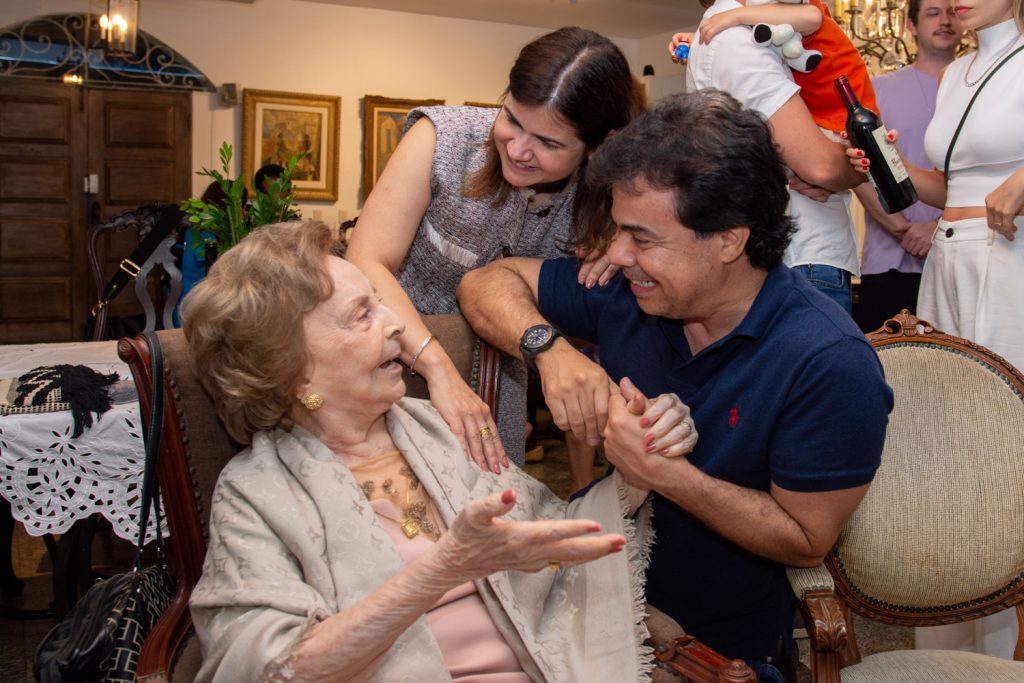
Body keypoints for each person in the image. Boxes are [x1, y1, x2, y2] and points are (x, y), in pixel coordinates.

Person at [458, 91, 893, 677]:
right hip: (589, 603)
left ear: (728, 239)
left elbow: (804, 539)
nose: (616, 253)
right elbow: (486, 282)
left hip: (718, 654)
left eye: (642, 237)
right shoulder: (630, 293)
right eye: (617, 231)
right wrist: (552, 351)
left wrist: (664, 473)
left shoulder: (827, 360)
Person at [180, 220, 701, 681]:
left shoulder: (434, 426)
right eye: (362, 314)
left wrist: (641, 459)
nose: (397, 324)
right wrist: (444, 568)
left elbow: (546, 531)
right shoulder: (256, 493)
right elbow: (266, 669)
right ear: (291, 368)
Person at [346, 27, 646, 473]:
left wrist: (626, 246)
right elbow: (366, 261)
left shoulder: (608, 198)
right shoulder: (441, 139)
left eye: (548, 143)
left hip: (495, 392)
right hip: (385, 371)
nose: (520, 150)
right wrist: (439, 370)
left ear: (598, 147)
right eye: (512, 120)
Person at [849, 0, 1024, 658]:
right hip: (949, 261)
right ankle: (953, 636)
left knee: (1010, 442)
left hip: (1010, 258)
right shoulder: (959, 72)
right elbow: (942, 185)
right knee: (954, 440)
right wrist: (882, 160)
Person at [673, 0, 867, 314]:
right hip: (799, 252)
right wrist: (856, 168)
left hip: (791, 252)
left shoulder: (735, 32)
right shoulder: (738, 40)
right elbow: (823, 167)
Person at [854, 0, 964, 333]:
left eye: (952, 12)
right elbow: (860, 171)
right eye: (932, 13)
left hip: (963, 259)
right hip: (890, 265)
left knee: (963, 376)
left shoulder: (979, 89)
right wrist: (902, 228)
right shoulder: (879, 90)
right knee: (891, 375)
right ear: (911, 25)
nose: (944, 21)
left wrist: (939, 227)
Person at [672, 0, 878, 136]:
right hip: (826, 109)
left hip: (845, 106)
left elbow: (812, 18)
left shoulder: (788, 6)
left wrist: (736, 15)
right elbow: (769, 31)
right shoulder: (765, 10)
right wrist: (696, 40)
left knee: (882, 189)